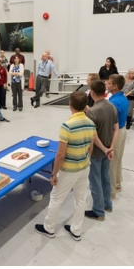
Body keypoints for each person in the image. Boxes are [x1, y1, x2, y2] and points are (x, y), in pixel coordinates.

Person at [35, 92, 95, 241]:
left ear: (70, 106)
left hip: (69, 170)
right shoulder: (91, 123)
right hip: (84, 167)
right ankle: (76, 230)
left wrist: (54, 174)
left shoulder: (67, 126)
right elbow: (90, 148)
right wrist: (84, 161)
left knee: (56, 198)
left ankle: (49, 228)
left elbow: (61, 155)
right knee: (81, 199)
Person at [84, 80, 117, 221]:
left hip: (98, 152)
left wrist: (104, 149)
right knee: (106, 177)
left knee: (95, 181)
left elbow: (93, 136)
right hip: (108, 150)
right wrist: (111, 148)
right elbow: (116, 130)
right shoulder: (112, 107)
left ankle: (98, 211)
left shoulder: (92, 112)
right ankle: (107, 204)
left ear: (92, 93)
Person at [106, 74, 130, 197]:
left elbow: (109, 122)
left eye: (109, 83)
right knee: (118, 160)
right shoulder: (123, 98)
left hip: (116, 133)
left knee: (112, 163)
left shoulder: (114, 102)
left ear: (115, 86)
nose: (107, 84)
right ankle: (117, 183)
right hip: (122, 130)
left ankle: (110, 193)